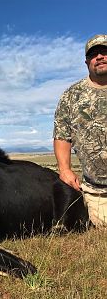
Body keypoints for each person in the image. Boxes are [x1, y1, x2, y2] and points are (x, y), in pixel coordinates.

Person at [53, 34, 107, 228]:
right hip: (97, 192)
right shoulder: (71, 95)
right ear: (87, 62)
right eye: (94, 54)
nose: (100, 56)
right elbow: (62, 135)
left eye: (104, 51)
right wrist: (65, 170)